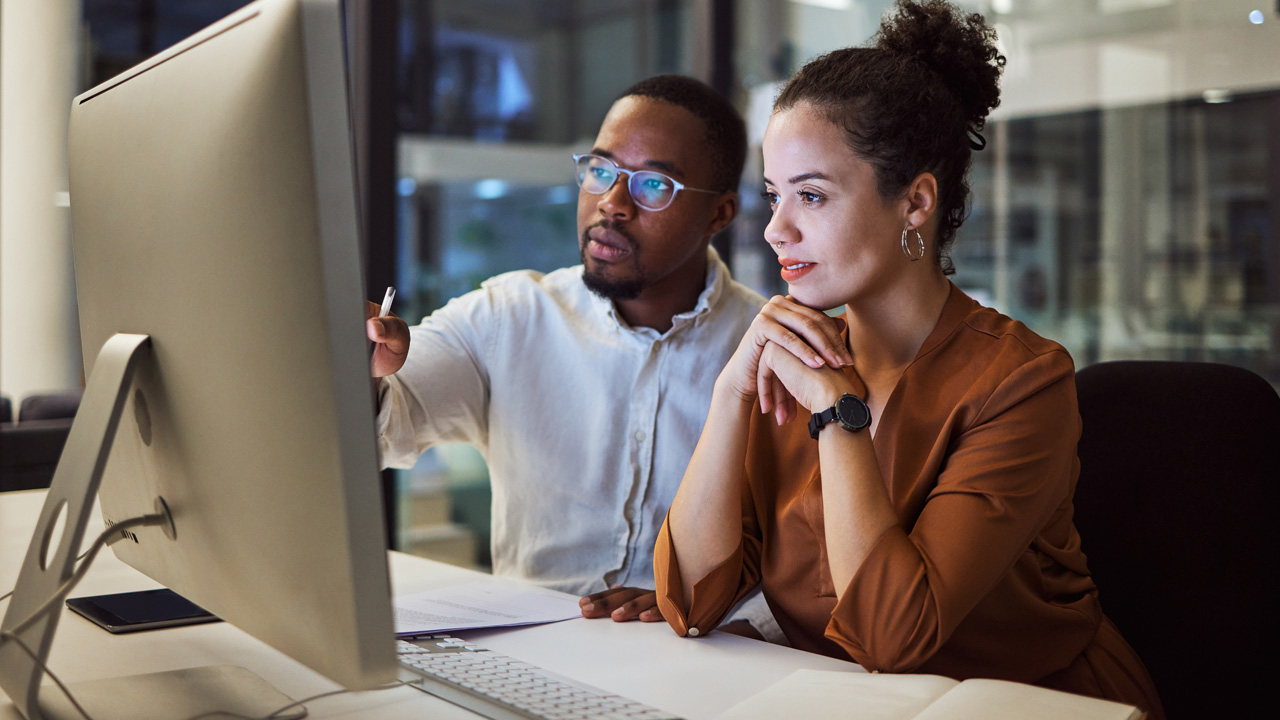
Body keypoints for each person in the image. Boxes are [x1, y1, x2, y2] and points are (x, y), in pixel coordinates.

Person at [653, 2, 1165, 717]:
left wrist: (839, 413)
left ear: (915, 201)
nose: (776, 228)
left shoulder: (1021, 380)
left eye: (812, 195)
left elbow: (893, 636)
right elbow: (691, 601)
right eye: (773, 196)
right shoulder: (791, 358)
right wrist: (731, 391)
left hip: (1027, 705)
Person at [366, 75, 777, 636]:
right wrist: (364, 371)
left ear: (720, 214)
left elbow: (804, 567)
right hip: (526, 650)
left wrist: (715, 610)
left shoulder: (769, 351)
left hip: (702, 657)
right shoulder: (509, 315)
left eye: (654, 184)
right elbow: (382, 430)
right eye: (602, 170)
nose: (611, 203)